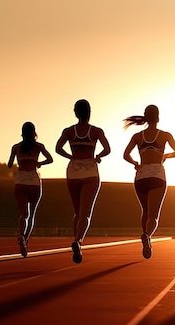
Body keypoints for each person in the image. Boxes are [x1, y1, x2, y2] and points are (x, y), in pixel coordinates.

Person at [123, 105, 175, 259]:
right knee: (153, 216)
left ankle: (145, 241)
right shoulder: (164, 135)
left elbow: (125, 155)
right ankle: (147, 236)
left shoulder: (138, 136)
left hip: (141, 175)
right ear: (158, 117)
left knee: (145, 211)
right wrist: (165, 156)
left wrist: (135, 163)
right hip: (157, 174)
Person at [55, 99, 111, 264]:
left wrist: (70, 156)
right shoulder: (96, 131)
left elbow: (58, 148)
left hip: (73, 170)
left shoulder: (69, 131)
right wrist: (98, 157)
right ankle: (78, 241)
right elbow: (107, 149)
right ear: (89, 112)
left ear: (75, 112)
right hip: (90, 170)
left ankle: (77, 242)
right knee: (86, 212)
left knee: (77, 211)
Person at [7, 122, 54, 257]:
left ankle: (20, 233)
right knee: (32, 214)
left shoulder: (16, 147)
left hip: (20, 182)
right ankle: (25, 240)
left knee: (24, 214)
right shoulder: (38, 146)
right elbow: (50, 159)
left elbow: (10, 164)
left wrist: (16, 159)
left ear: (22, 132)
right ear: (34, 133)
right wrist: (39, 163)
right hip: (33, 181)